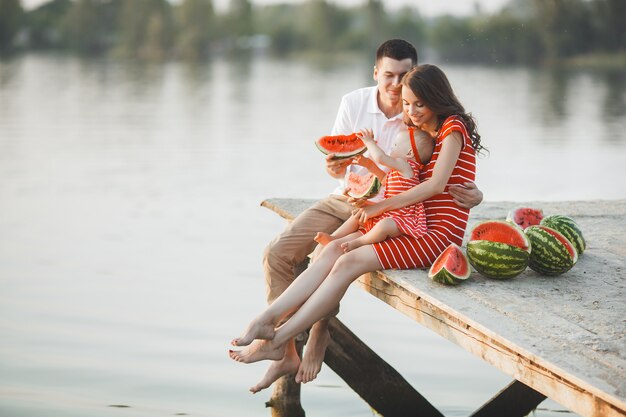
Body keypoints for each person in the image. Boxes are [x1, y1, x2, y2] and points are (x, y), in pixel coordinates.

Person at [231, 64, 485, 393]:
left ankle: (279, 339)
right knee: (332, 248)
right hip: (412, 221)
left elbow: (436, 185)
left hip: (435, 234)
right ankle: (267, 320)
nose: (411, 111)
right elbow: (399, 172)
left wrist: (379, 206)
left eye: (419, 104)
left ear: (437, 99)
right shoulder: (423, 130)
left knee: (348, 262)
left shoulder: (453, 127)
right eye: (407, 104)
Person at [314, 127, 434, 253]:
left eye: (396, 144)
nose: (392, 147)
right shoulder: (399, 171)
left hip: (402, 218)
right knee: (358, 214)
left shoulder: (407, 165)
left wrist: (369, 142)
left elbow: (380, 157)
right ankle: (334, 237)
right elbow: (384, 180)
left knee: (385, 225)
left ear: (409, 153)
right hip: (390, 211)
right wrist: (368, 165)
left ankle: (359, 242)